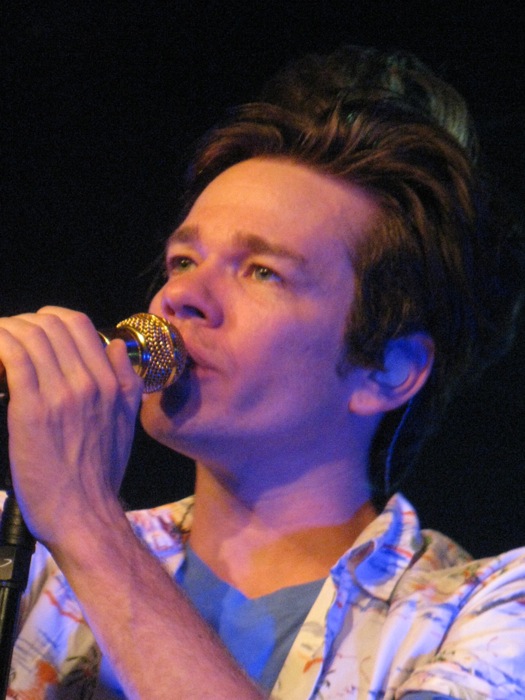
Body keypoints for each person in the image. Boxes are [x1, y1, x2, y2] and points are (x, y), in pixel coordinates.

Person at [0, 45, 524, 699]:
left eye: (261, 271)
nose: (179, 297)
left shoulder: (483, 618)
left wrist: (86, 524)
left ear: (388, 370)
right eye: (184, 260)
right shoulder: (34, 560)